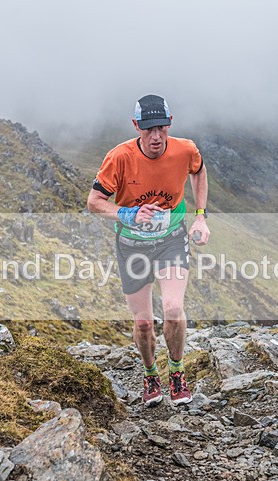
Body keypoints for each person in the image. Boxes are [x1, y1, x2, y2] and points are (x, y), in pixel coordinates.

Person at [87, 94, 209, 407]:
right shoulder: (119, 157)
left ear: (169, 124)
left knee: (171, 308)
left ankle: (178, 372)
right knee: (143, 322)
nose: (156, 136)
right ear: (136, 127)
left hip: (170, 239)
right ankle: (151, 372)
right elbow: (94, 203)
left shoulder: (185, 149)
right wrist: (129, 214)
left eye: (161, 128)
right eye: (148, 129)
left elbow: (198, 170)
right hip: (132, 245)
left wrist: (200, 217)